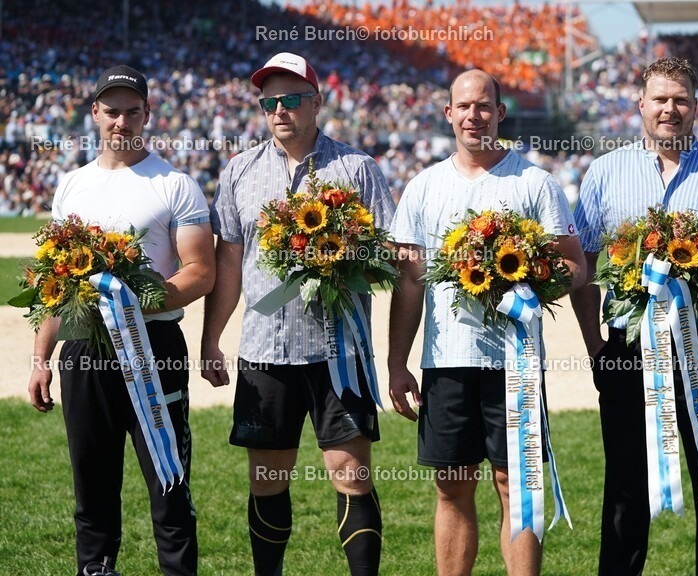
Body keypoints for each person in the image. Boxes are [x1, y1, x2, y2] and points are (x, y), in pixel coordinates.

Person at [570, 57, 698, 575]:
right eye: (660, 99)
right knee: (623, 483)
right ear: (640, 105)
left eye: (680, 99)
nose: (670, 109)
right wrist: (595, 346)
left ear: (696, 107)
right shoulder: (604, 173)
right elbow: (583, 264)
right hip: (626, 349)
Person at [200, 52, 395, 576]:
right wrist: (210, 340)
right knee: (266, 480)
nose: (280, 110)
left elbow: (388, 260)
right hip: (264, 353)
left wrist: (340, 260)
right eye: (270, 102)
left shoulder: (357, 169)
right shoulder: (239, 171)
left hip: (339, 353)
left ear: (318, 102)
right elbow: (230, 264)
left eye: (291, 99)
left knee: (351, 476)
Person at [387, 69, 585, 576]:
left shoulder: (536, 183)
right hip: (446, 361)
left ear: (499, 113)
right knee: (451, 485)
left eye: (484, 106)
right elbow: (409, 283)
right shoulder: (423, 187)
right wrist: (396, 362)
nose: (473, 115)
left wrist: (525, 278)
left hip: (514, 362)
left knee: (514, 485)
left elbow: (574, 266)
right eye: (463, 106)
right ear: (448, 113)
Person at [27, 64, 215, 576]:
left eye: (133, 112)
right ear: (95, 114)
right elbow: (55, 281)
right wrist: (41, 358)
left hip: (153, 346)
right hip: (84, 349)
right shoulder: (70, 186)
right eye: (112, 111)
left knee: (169, 486)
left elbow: (200, 272)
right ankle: (95, 569)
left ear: (147, 114)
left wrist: (132, 302)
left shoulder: (176, 184)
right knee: (91, 487)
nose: (121, 122)